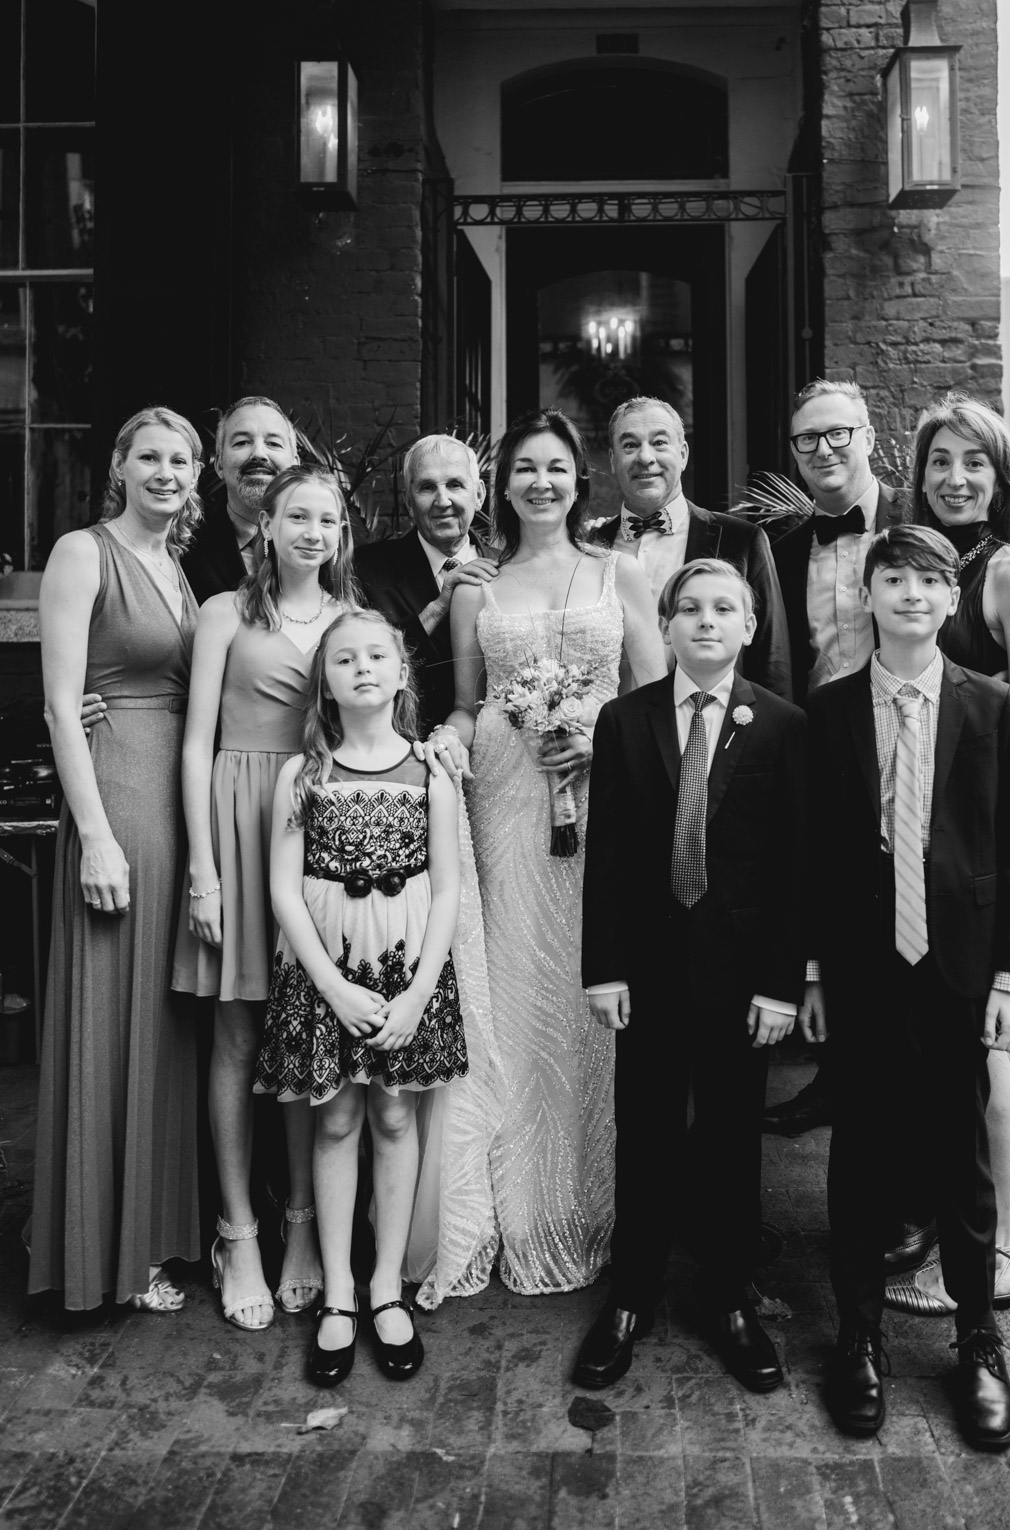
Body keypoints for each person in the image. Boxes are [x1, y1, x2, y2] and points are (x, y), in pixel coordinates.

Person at [425, 407, 666, 1300]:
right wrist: (445, 745)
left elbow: (655, 699)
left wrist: (601, 744)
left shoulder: (621, 573)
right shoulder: (474, 588)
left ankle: (602, 1200)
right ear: (503, 484)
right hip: (505, 796)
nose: (539, 483)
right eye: (523, 468)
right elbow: (461, 700)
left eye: (555, 467)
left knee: (595, 985)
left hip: (609, 802)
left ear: (578, 479)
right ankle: (521, 1206)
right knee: (519, 988)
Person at [804, 524, 1010, 1452]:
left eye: (927, 580)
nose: (908, 593)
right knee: (857, 1154)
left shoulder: (991, 705)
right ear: (867, 597)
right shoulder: (824, 713)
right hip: (862, 969)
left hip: (960, 966)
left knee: (961, 1159)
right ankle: (856, 1336)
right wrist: (814, 970)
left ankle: (976, 1341)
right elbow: (815, 858)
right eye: (891, 578)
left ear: (951, 600)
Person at [572, 559, 805, 1392]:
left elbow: (790, 872)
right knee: (645, 1132)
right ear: (664, 625)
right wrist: (605, 969)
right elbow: (609, 860)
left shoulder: (781, 725)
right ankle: (631, 1295)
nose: (706, 622)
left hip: (742, 982)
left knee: (731, 1138)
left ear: (747, 627)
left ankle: (728, 1296)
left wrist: (782, 983)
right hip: (648, 972)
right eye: (689, 610)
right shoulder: (623, 720)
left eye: (723, 610)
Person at [883, 394, 1010, 1315]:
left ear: (1000, 479)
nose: (955, 478)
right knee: (969, 1042)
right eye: (940, 462)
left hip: (990, 838)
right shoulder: (917, 564)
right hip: (924, 838)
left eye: (974, 463)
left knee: (983, 1041)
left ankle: (1004, 1229)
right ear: (917, 473)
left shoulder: (1009, 574)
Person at [256, 610, 466, 1387]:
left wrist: (414, 996)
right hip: (329, 969)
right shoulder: (302, 775)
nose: (364, 669)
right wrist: (332, 984)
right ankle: (338, 1293)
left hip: (406, 965)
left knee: (392, 1112)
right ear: (326, 682)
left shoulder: (429, 771)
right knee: (337, 1116)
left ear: (402, 672)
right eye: (345, 660)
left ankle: (386, 1288)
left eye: (378, 655)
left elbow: (446, 891)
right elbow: (282, 891)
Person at [173, 462, 360, 1330]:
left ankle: (301, 1228)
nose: (312, 532)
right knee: (238, 1031)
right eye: (298, 517)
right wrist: (203, 869)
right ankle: (236, 1229)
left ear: (339, 533)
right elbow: (194, 743)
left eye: (327, 518)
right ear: (267, 527)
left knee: (303, 1032)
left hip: (313, 829)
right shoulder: (222, 614)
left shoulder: (353, 621)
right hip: (235, 815)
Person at [30, 407, 204, 1311]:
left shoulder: (175, 567)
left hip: (176, 813)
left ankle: (146, 1235)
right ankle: (96, 1255)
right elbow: (63, 704)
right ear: (120, 466)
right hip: (117, 806)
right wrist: (92, 830)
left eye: (181, 459)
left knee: (161, 1030)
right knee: (109, 1019)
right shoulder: (80, 552)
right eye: (150, 457)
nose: (166, 471)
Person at [762, 379, 902, 1142]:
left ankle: (885, 1090)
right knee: (831, 905)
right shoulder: (780, 545)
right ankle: (834, 1074)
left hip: (903, 742)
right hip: (814, 744)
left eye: (836, 434)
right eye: (806, 439)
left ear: (869, 435)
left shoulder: (914, 529)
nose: (822, 451)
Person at [592, 397, 792, 701]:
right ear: (612, 459)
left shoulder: (742, 541)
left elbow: (772, 661)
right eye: (630, 445)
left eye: (659, 443)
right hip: (604, 735)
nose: (645, 457)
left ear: (683, 454)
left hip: (712, 731)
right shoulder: (588, 548)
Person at [353, 436, 499, 729]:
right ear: (409, 500)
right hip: (405, 748)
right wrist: (438, 608)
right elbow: (359, 668)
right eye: (427, 487)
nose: (442, 500)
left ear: (479, 494)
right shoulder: (365, 570)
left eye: (455, 485)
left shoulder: (508, 566)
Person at [182, 397, 299, 603]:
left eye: (273, 443)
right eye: (242, 442)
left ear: (294, 465)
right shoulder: (184, 550)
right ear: (219, 464)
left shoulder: (323, 547)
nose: (258, 454)